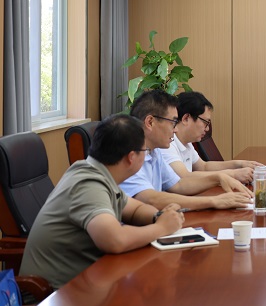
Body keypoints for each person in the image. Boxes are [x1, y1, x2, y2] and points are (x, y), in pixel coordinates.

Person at [20, 114, 185, 288]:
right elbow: (114, 240)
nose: (146, 155)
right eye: (145, 151)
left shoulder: (98, 173)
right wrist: (161, 228)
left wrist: (159, 216)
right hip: (55, 294)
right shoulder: (87, 183)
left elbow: (134, 210)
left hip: (87, 283)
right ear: (131, 157)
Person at [119, 90, 253, 210]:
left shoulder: (154, 151)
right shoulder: (128, 154)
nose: (175, 129)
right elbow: (150, 199)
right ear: (150, 122)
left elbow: (179, 185)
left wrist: (218, 178)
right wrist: (213, 201)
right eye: (172, 122)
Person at [162, 91, 262, 184]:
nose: (207, 128)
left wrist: (239, 164)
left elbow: (203, 166)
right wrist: (233, 174)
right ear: (186, 118)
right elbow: (185, 177)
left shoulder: (186, 142)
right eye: (205, 122)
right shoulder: (167, 144)